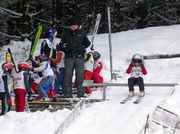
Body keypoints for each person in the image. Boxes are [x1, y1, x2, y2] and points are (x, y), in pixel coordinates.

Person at [59, 17, 91, 98]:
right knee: (68, 75)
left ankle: (81, 92)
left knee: (80, 75)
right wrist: (63, 46)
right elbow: (60, 45)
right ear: (69, 27)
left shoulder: (82, 34)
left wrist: (89, 51)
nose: (74, 28)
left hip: (80, 58)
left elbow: (88, 44)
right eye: (72, 26)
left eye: (75, 26)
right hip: (69, 57)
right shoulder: (66, 34)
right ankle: (67, 93)